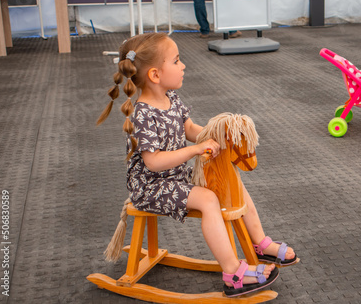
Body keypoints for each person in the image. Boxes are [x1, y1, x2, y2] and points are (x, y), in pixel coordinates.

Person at [96, 32, 296, 297]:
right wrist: (195, 149)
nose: (183, 66)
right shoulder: (142, 114)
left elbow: (189, 128)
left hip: (176, 176)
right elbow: (153, 162)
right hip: (150, 186)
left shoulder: (171, 99)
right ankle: (233, 272)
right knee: (208, 200)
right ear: (155, 75)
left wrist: (218, 138)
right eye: (177, 61)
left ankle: (260, 242)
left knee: (231, 180)